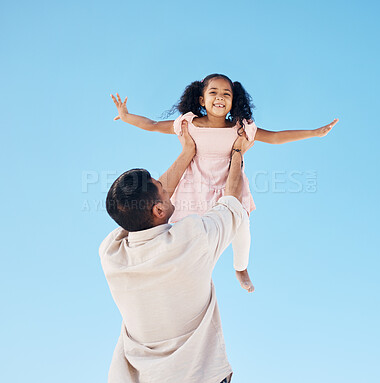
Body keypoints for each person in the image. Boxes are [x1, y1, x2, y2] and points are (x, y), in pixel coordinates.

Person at [111, 73, 339, 292]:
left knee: (242, 228)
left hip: (227, 184)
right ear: (202, 99)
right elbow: (152, 125)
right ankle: (185, 270)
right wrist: (126, 116)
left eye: (226, 94)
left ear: (233, 100)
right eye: (213, 92)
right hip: (195, 185)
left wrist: (314, 132)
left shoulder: (240, 127)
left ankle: (241, 268)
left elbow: (276, 137)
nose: (220, 97)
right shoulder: (188, 124)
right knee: (186, 230)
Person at [100, 123, 254, 382]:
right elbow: (231, 200)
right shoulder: (193, 240)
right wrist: (238, 152)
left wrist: (187, 152)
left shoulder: (111, 254)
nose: (165, 186)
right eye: (160, 185)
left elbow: (146, 209)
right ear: (158, 210)